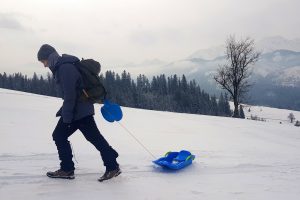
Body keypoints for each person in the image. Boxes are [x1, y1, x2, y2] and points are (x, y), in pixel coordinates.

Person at [37, 44, 120, 182]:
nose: (44, 65)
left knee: (61, 135)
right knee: (92, 138)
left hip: (79, 112)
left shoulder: (65, 68)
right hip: (79, 110)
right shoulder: (63, 66)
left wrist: (67, 117)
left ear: (49, 58)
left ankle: (69, 169)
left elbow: (70, 95)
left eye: (43, 61)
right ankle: (111, 162)